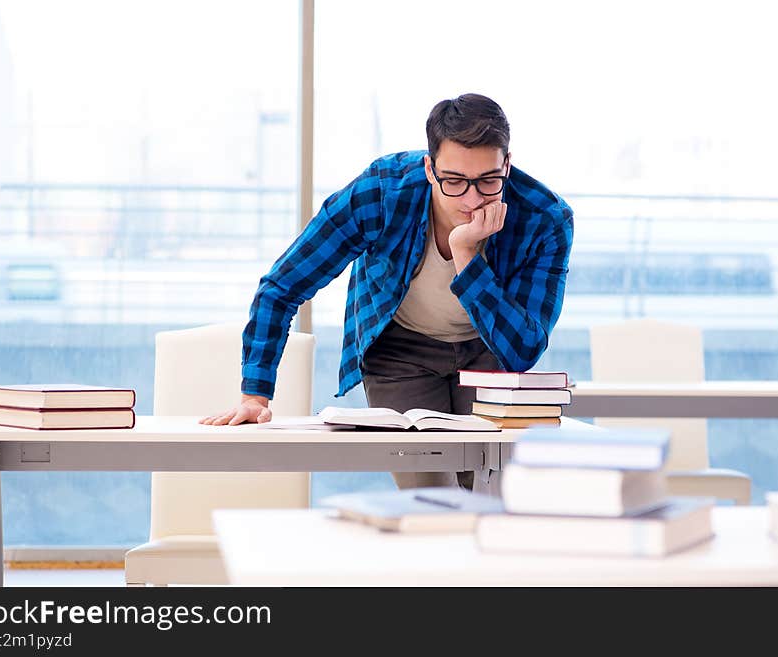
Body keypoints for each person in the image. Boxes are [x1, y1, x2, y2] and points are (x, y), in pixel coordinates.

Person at [200, 93, 573, 491]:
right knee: (431, 498)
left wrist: (467, 255)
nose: (471, 199)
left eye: (488, 181)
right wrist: (255, 395)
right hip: (400, 352)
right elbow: (282, 285)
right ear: (430, 168)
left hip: (490, 353)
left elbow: (523, 349)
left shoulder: (544, 218)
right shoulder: (382, 192)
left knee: (488, 493)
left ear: (507, 165)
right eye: (454, 181)